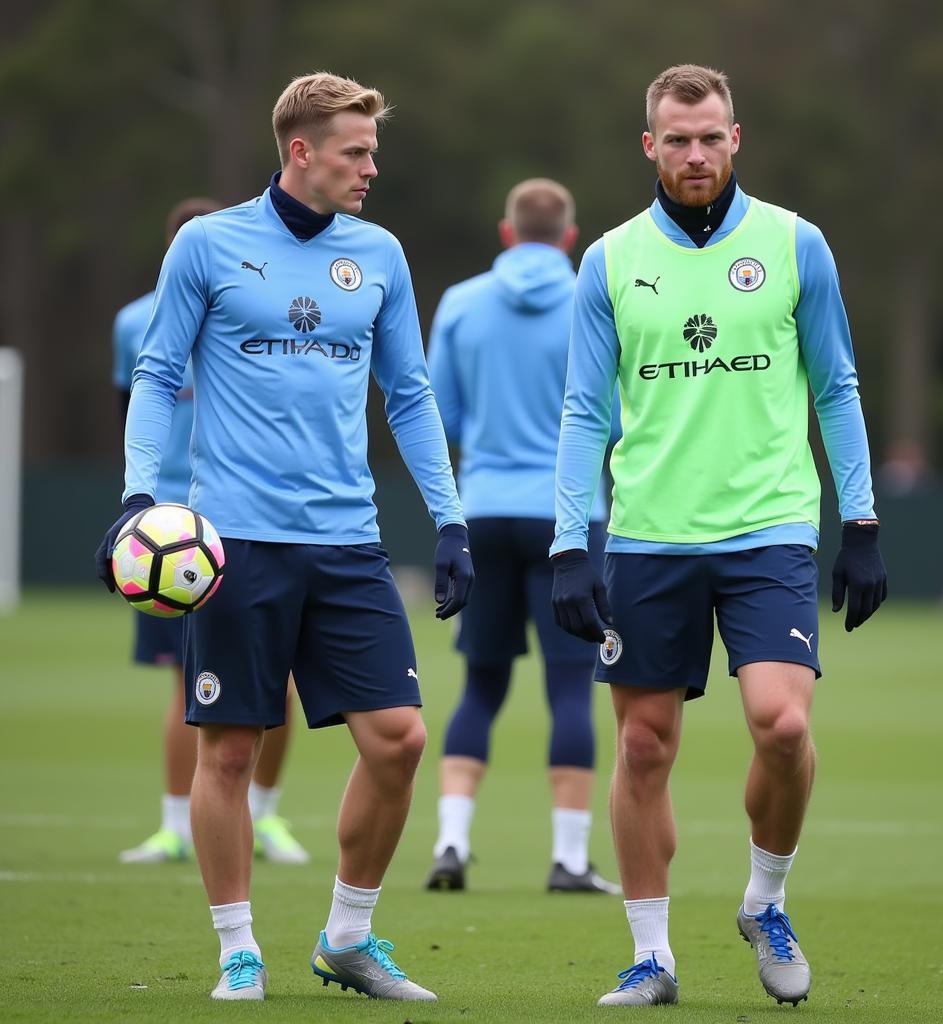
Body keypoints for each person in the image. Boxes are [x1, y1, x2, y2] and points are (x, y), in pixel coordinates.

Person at [95, 72, 474, 1003]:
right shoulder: (208, 244)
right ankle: (238, 950)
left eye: (372, 151)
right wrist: (141, 497)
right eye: (355, 152)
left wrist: (451, 518)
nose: (370, 168)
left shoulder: (379, 253)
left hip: (347, 542)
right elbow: (154, 372)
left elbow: (413, 395)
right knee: (228, 751)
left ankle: (348, 937)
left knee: (399, 740)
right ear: (300, 151)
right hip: (233, 547)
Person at [550, 64, 887, 1008]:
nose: (695, 153)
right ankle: (652, 958)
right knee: (646, 748)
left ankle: (765, 899)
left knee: (783, 725)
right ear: (649, 146)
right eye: (677, 138)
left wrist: (859, 520)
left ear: (735, 139)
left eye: (710, 136)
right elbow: (582, 410)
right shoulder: (610, 259)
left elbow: (837, 388)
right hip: (650, 536)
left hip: (769, 528)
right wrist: (571, 541)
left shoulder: (794, 244)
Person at [424, 179, 620, 895]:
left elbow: (435, 415)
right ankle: (569, 860)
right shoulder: (595, 298)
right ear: (569, 237)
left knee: (480, 685)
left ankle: (450, 842)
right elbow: (620, 421)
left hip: (481, 512)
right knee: (571, 687)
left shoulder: (461, 302)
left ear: (507, 233)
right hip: (569, 518)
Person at [114, 198, 309, 868]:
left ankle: (263, 815)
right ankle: (174, 826)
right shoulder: (134, 322)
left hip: (247, 520)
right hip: (165, 532)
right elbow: (136, 406)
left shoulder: (260, 303)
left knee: (280, 681)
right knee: (184, 684)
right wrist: (138, 509)